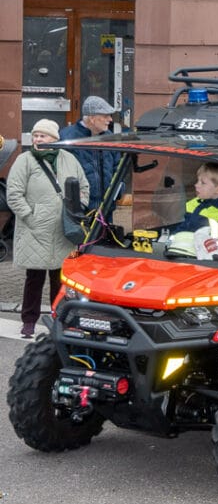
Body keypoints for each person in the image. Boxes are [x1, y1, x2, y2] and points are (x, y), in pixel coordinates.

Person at [7, 119, 89, 338]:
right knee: (34, 278)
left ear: (54, 139)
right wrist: (30, 216)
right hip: (34, 229)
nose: (38, 139)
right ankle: (29, 321)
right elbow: (13, 194)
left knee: (60, 279)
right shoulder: (24, 160)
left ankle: (59, 318)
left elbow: (84, 186)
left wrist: (77, 207)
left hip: (63, 229)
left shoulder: (69, 159)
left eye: (43, 136)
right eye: (35, 135)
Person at [60, 96, 119, 212]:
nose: (110, 119)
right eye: (106, 116)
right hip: (79, 207)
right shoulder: (67, 137)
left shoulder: (109, 137)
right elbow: (60, 171)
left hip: (106, 208)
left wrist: (117, 192)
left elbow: (118, 166)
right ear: (92, 118)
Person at [175, 163, 218, 257]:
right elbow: (183, 228)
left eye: (202, 183)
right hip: (186, 254)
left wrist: (213, 251)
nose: (196, 185)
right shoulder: (194, 203)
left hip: (213, 262)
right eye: (197, 181)